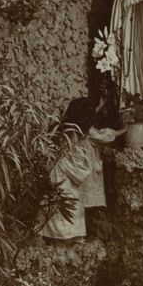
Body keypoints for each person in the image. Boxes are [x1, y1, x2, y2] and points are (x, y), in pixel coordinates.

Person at [38, 104, 93, 242]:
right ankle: (66, 241)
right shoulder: (72, 135)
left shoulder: (59, 128)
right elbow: (79, 172)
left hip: (53, 177)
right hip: (63, 179)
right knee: (68, 204)